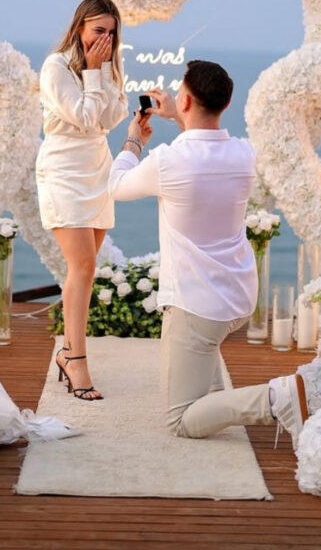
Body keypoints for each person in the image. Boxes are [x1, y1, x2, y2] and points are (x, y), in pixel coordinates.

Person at [108, 60, 308, 444]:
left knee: (180, 418)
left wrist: (134, 139)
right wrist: (179, 116)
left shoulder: (166, 161)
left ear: (184, 100)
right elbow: (203, 142)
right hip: (238, 297)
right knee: (196, 371)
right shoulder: (243, 155)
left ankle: (276, 398)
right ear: (226, 105)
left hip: (197, 305)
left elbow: (116, 185)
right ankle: (224, 389)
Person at [36, 0, 129, 401]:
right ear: (79, 29)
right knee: (82, 265)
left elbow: (109, 119)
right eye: (98, 31)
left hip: (97, 170)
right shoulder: (56, 67)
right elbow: (86, 116)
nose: (105, 40)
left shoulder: (106, 67)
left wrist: (104, 74)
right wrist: (93, 72)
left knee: (87, 272)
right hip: (64, 172)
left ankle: (68, 353)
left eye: (111, 33)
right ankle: (76, 360)